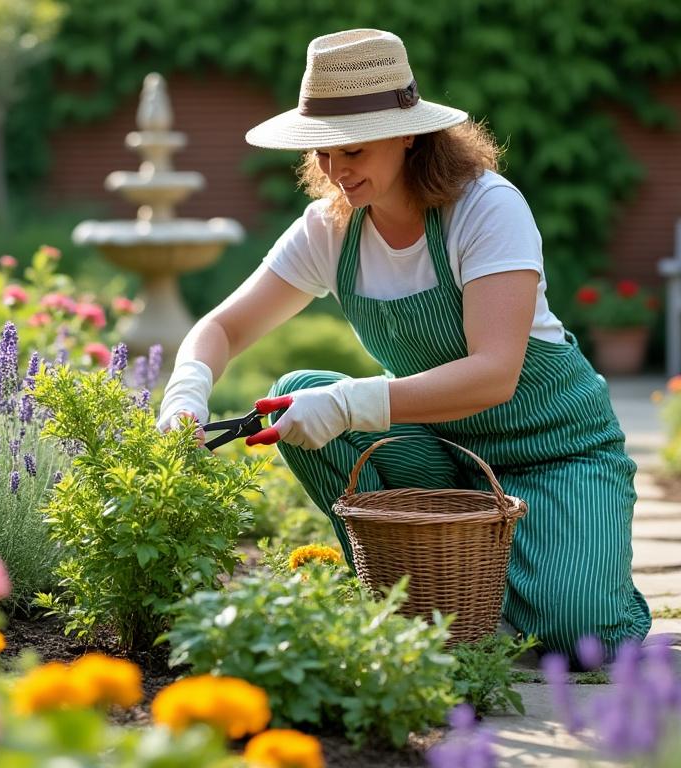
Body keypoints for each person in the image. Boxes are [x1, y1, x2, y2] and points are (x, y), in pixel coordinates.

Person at [155, 28, 650, 658]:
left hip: (556, 454)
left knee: (581, 637)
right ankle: (418, 593)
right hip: (439, 458)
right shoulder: (330, 230)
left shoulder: (486, 209)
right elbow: (221, 328)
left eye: (353, 151)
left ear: (408, 132)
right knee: (293, 397)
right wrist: (186, 395)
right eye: (324, 155)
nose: (337, 172)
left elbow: (495, 374)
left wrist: (349, 404)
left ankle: (504, 583)